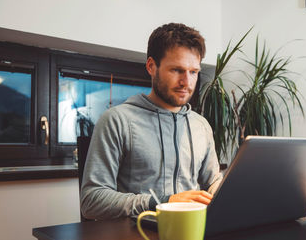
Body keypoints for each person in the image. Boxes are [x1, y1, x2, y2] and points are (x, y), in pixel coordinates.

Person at [80, 23, 222, 220]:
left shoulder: (201, 126)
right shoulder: (117, 120)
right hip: (135, 238)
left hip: (191, 233)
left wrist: (228, 190)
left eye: (193, 72)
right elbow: (92, 201)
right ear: (151, 66)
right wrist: (162, 202)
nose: (187, 82)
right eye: (176, 70)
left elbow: (213, 182)